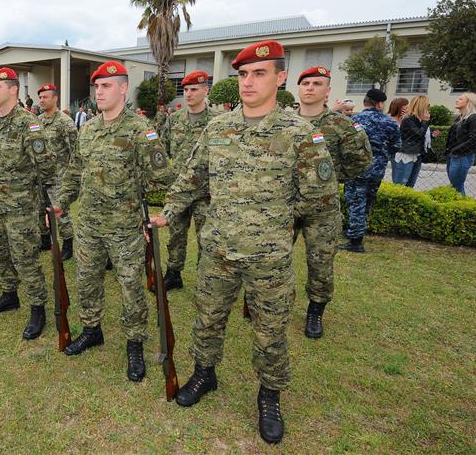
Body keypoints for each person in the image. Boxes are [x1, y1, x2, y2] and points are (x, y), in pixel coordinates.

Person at [150, 41, 337, 444]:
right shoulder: (219, 127)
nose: (248, 82)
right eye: (243, 75)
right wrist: (169, 209)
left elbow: (320, 196)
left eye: (259, 73)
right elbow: (192, 176)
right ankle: (205, 373)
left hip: (269, 257)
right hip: (217, 249)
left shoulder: (301, 133)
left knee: (270, 330)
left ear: (280, 77)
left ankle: (269, 395)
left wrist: (276, 222)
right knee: (208, 316)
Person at [54, 61, 174, 382]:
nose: (99, 91)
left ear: (123, 89)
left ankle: (134, 342)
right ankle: (92, 329)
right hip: (90, 224)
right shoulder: (89, 129)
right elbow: (75, 170)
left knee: (131, 286)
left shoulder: (140, 131)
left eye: (106, 86)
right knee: (87, 279)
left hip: (125, 229)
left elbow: (165, 176)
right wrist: (61, 202)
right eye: (97, 86)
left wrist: (168, 211)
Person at [0, 67, 54, 340]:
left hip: (21, 208)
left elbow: (47, 167)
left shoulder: (29, 124)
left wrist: (52, 205)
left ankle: (38, 308)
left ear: (13, 90)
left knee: (25, 258)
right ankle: (9, 294)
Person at [293, 66, 372, 338]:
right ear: (298, 89)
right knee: (273, 259)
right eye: (305, 83)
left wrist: (331, 181)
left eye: (317, 83)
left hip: (322, 210)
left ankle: (315, 312)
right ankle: (265, 304)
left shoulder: (341, 125)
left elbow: (361, 160)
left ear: (327, 91)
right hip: (286, 205)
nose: (310, 88)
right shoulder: (284, 123)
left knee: (321, 263)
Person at [159, 70, 212, 292]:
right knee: (176, 234)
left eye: (194, 89)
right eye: (186, 90)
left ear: (205, 90)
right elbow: (163, 150)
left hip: (206, 192)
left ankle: (205, 280)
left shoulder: (217, 122)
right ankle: (173, 273)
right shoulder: (174, 120)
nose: (189, 94)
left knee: (206, 238)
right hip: (179, 189)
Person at [341, 89, 400, 253]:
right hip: (377, 169)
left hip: (357, 168)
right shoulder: (390, 122)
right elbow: (396, 145)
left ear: (365, 102)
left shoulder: (354, 120)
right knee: (366, 202)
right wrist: (382, 156)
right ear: (380, 104)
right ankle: (356, 233)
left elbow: (345, 143)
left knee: (355, 202)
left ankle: (355, 241)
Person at [36, 83, 77, 260]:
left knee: (62, 213)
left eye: (45, 97)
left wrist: (71, 176)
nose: (41, 100)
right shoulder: (38, 121)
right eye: (40, 97)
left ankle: (68, 243)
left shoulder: (64, 122)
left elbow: (75, 151)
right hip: (40, 175)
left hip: (59, 176)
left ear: (55, 98)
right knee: (40, 209)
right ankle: (45, 240)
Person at [393, 95, 435, 188]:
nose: (428, 109)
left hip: (417, 154)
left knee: (410, 185)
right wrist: (425, 121)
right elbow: (419, 134)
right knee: (401, 185)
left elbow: (421, 136)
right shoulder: (408, 119)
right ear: (421, 106)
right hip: (406, 154)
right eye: (427, 106)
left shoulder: (418, 120)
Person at [445, 92, 476, 195]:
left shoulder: (473, 118)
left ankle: (462, 208)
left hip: (462, 156)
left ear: (469, 102)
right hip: (453, 155)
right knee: (455, 186)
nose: (457, 100)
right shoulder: (460, 118)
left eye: (461, 99)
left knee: (456, 187)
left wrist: (456, 150)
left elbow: (474, 140)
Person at [387, 98, 409, 182]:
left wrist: (406, 119)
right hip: (389, 148)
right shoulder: (388, 118)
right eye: (405, 107)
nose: (407, 109)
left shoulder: (406, 119)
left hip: (400, 150)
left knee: (398, 174)